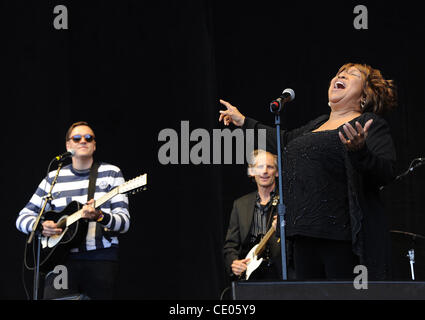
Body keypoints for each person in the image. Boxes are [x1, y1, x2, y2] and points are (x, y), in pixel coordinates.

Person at [219, 63, 397, 280]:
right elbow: (283, 141)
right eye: (340, 73)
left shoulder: (368, 123)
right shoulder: (318, 124)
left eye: (352, 75)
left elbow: (386, 172)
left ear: (364, 95)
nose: (341, 75)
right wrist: (244, 122)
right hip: (302, 236)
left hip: (340, 237)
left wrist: (360, 152)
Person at [16, 121, 130, 299]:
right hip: (60, 260)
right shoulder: (54, 178)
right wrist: (41, 226)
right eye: (77, 138)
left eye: (88, 138)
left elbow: (124, 223)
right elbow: (22, 218)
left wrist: (100, 216)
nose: (83, 141)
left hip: (100, 259)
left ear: (94, 145)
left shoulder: (111, 173)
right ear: (68, 145)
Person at [223, 149, 283, 281]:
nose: (265, 171)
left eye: (270, 167)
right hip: (251, 276)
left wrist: (284, 228)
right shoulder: (240, 204)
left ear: (277, 172)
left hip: (279, 274)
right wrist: (234, 263)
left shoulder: (286, 203)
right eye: (260, 167)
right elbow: (231, 245)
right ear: (252, 172)